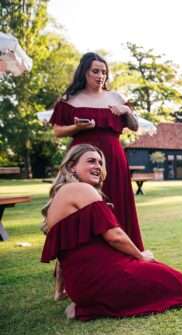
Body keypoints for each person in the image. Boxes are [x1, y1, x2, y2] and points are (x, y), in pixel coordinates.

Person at [40, 144, 182, 321]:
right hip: (99, 279)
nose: (98, 166)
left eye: (100, 162)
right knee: (174, 282)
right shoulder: (80, 189)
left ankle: (87, 302)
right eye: (91, 161)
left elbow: (63, 253)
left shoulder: (62, 195)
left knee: (162, 274)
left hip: (83, 283)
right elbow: (115, 236)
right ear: (72, 166)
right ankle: (88, 306)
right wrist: (141, 256)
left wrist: (60, 290)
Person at [49, 52, 143, 250]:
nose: (101, 76)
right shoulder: (70, 100)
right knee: (84, 203)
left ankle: (125, 251)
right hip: (82, 159)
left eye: (104, 72)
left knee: (117, 202)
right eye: (96, 71)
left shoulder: (116, 97)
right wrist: (77, 128)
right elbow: (57, 131)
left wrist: (127, 111)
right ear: (84, 72)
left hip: (113, 159)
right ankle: (86, 252)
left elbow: (134, 127)